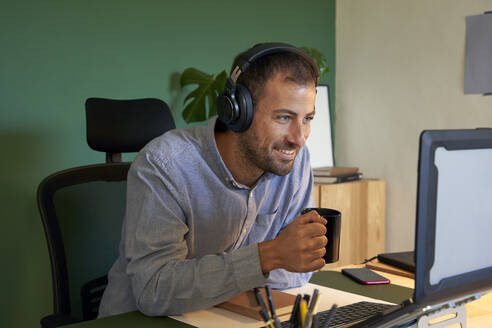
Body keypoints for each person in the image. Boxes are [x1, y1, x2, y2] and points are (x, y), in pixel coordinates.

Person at [98, 43, 328, 318]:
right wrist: (269, 256)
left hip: (225, 319)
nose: (299, 138)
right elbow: (154, 291)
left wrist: (278, 259)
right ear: (238, 111)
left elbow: (297, 273)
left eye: (307, 119)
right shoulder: (165, 165)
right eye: (284, 117)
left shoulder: (293, 161)